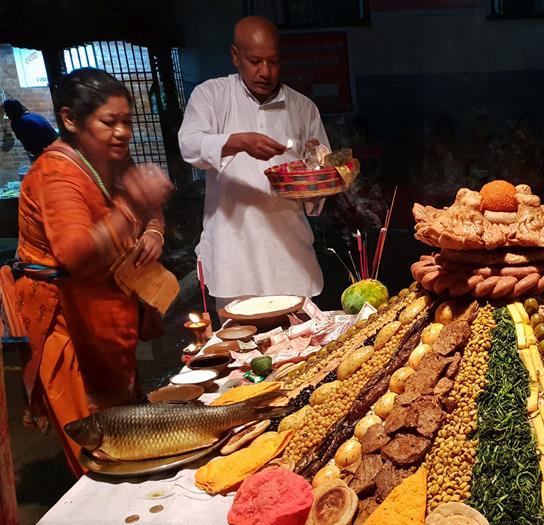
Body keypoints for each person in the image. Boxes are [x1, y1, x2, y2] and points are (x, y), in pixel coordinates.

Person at [14, 68, 172, 475]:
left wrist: (153, 229)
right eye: (109, 122)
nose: (122, 133)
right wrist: (132, 207)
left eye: (127, 122)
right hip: (69, 322)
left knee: (128, 433)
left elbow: (148, 205)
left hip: (108, 316)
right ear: (71, 120)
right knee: (97, 448)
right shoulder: (56, 173)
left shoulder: (112, 159)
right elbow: (77, 255)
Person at [178, 15, 330, 309]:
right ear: (235, 56)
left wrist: (317, 184)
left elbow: (319, 173)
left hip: (289, 254)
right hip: (233, 257)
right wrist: (238, 141)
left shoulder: (303, 108)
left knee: (301, 348)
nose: (265, 72)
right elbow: (189, 145)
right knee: (241, 349)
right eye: (255, 61)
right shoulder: (211, 95)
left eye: (273, 62)